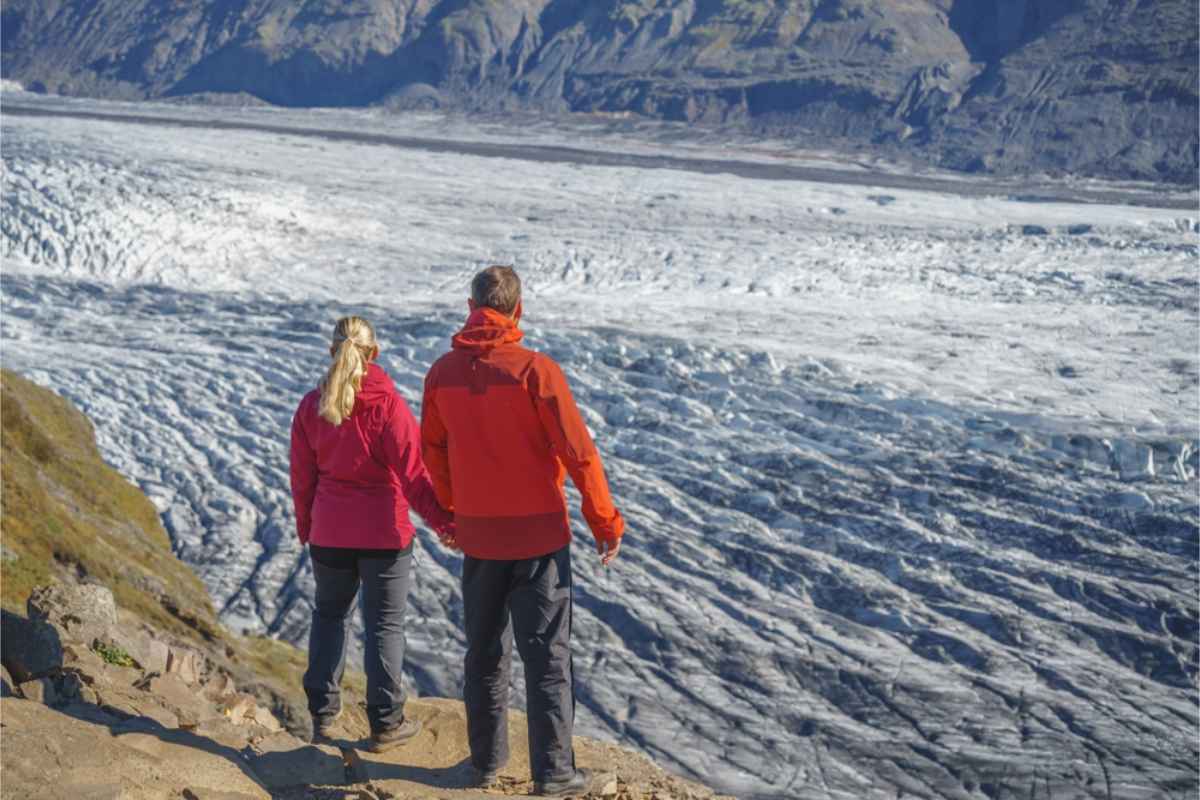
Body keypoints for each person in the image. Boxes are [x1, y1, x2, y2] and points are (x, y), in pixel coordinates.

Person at [421, 266, 625, 796]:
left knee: (485, 654)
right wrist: (604, 521)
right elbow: (579, 455)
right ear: (519, 309)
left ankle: (484, 765)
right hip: (539, 541)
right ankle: (554, 773)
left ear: (469, 306)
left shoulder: (442, 374)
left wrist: (454, 512)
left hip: (481, 540)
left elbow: (433, 455)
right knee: (548, 659)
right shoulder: (537, 372)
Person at [290, 315, 454, 753]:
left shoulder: (311, 406)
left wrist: (307, 526)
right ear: (374, 353)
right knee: (384, 627)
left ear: (331, 351)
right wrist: (444, 523)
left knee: (329, 618)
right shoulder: (388, 406)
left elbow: (302, 479)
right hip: (385, 536)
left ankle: (323, 719)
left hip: (330, 534)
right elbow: (415, 476)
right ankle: (385, 725)